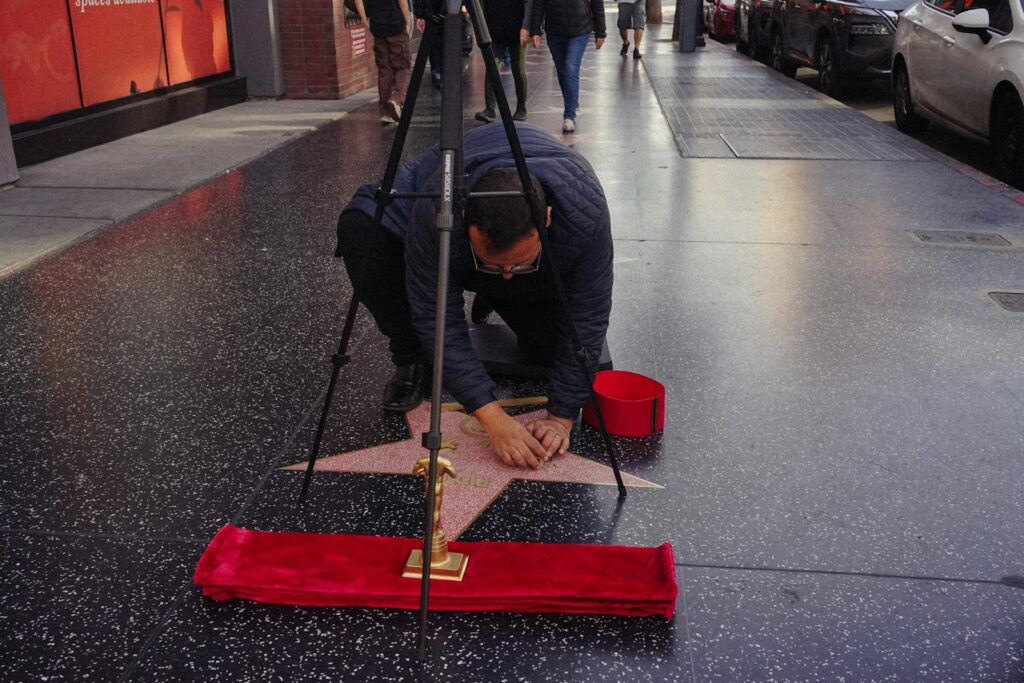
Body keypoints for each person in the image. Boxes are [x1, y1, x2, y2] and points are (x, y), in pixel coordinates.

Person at [336, 123, 613, 469]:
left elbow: (588, 313)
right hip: (441, 214)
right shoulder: (438, 208)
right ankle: (412, 358)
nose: (508, 272)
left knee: (558, 354)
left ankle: (494, 289)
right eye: (495, 266)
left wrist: (562, 416)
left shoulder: (586, 210)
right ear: (464, 219)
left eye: (517, 265)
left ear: (547, 219)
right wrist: (493, 420)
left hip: (530, 264)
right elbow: (436, 314)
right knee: (363, 227)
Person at [527, 0, 606, 134]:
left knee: (570, 68)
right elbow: (539, 3)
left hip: (580, 29)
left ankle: (569, 116)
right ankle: (572, 101)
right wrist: (535, 30)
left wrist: (600, 31)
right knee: (562, 71)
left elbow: (597, 3)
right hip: (554, 31)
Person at [354, 0, 412, 124]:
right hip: (396, 25)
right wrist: (407, 21)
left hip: (377, 28)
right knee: (402, 66)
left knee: (384, 70)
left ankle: (385, 112)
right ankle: (396, 99)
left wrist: (365, 21)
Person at [474, 0, 532, 123]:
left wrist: (526, 27)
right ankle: (490, 109)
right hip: (495, 29)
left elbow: (529, 3)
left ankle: (521, 107)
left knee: (518, 69)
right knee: (492, 68)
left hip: (517, 30)